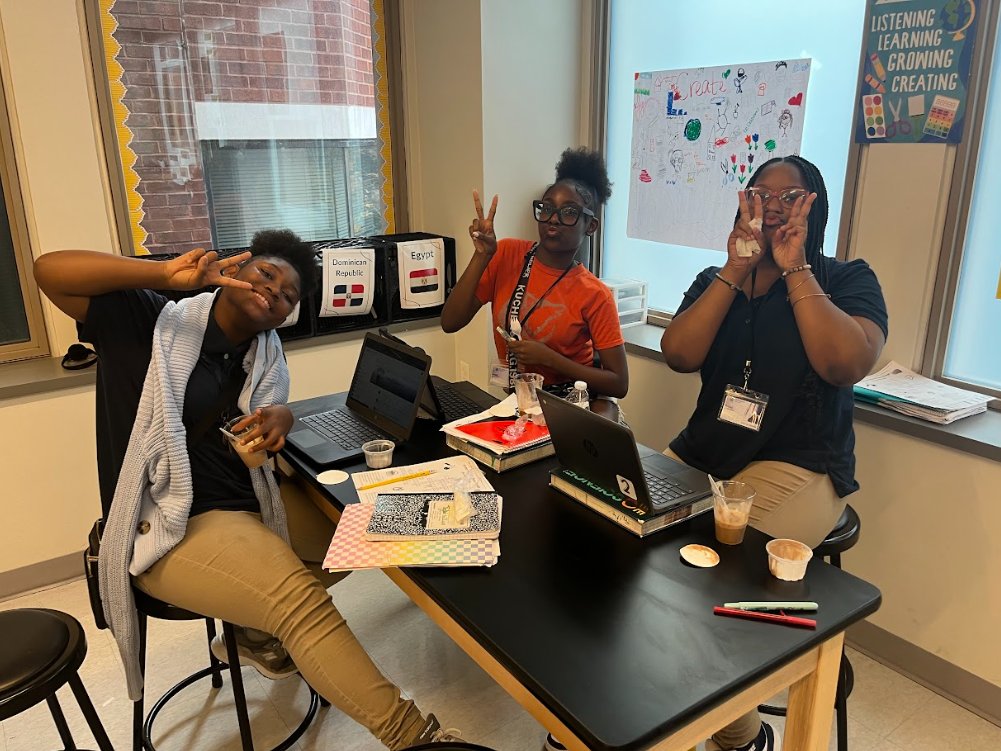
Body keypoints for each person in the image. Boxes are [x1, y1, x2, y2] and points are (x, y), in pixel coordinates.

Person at [33, 231, 461, 749]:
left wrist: (282, 416)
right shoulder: (149, 320)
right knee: (298, 602)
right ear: (236, 268)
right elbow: (48, 269)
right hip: (171, 525)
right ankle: (416, 738)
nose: (274, 292)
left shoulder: (264, 355)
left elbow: (255, 438)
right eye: (266, 274)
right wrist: (162, 274)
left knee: (369, 527)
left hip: (247, 503)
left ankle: (251, 631)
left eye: (288, 295)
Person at [660, 155, 888, 751]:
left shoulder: (845, 279)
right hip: (708, 450)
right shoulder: (719, 278)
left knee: (713, 592)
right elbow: (679, 354)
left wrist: (795, 271)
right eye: (762, 195)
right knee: (632, 542)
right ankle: (703, 713)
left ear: (817, 207)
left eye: (792, 196)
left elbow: (846, 362)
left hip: (801, 464)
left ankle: (737, 736)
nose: (775, 207)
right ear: (745, 205)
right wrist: (736, 270)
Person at [441, 147, 628, 400]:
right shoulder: (506, 254)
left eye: (570, 212)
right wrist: (482, 256)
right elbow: (450, 322)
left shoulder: (594, 294)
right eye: (547, 208)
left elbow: (619, 383)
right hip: (516, 403)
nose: (554, 219)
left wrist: (551, 360)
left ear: (590, 226)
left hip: (568, 407)